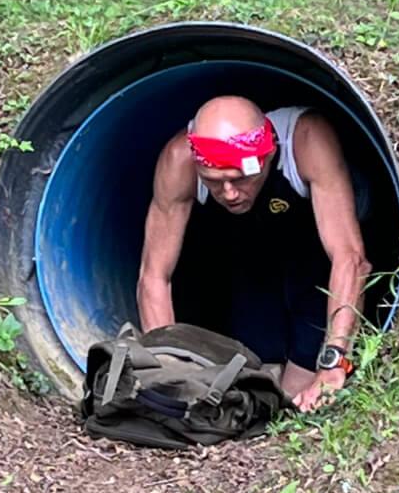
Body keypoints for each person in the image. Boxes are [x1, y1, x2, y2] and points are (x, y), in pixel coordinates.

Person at [136, 95, 371, 412]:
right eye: (214, 182)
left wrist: (334, 363)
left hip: (315, 241)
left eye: (240, 178)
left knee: (299, 393)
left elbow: (350, 258)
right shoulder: (179, 159)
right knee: (262, 391)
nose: (229, 193)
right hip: (245, 250)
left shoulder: (305, 140)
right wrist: (167, 369)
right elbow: (154, 276)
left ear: (270, 151)